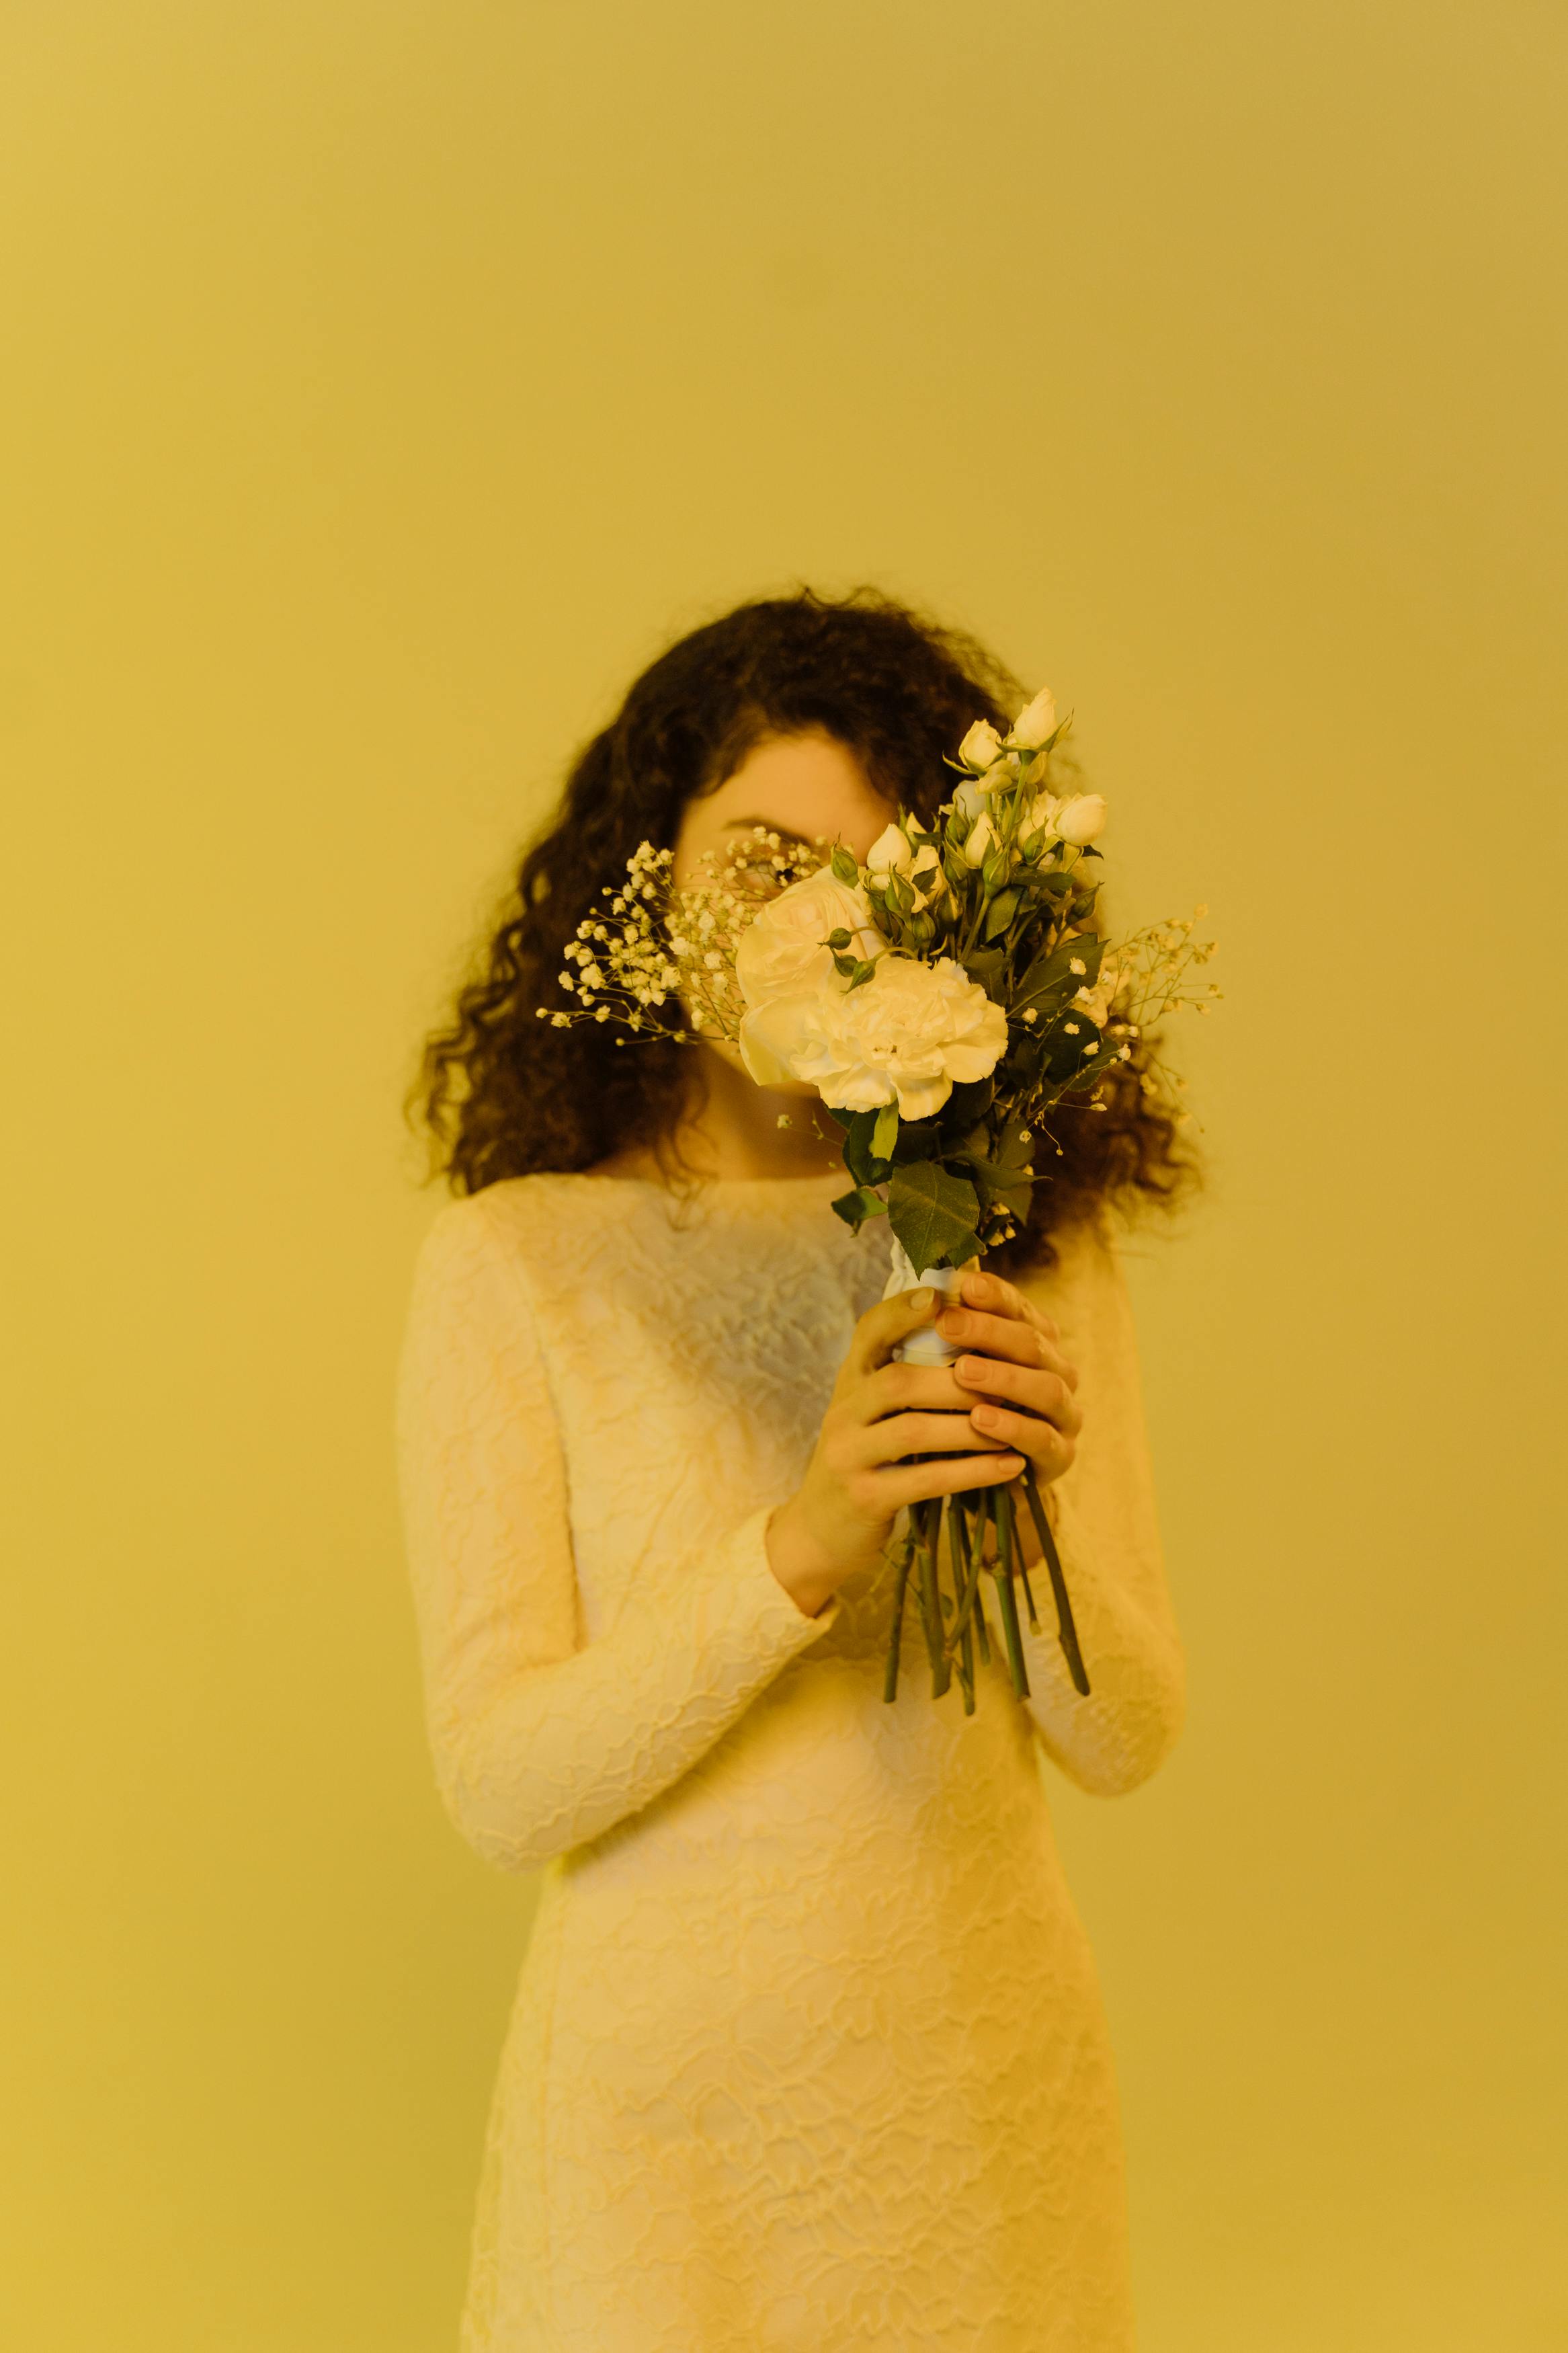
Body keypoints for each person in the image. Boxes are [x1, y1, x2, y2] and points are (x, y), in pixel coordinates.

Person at [398, 588, 1193, 2352]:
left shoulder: (1024, 1242)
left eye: (875, 872)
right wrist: (803, 1543)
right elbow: (503, 1783)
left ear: (955, 912)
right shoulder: (519, 1261)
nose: (818, 921)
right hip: (665, 2130)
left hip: (983, 2089)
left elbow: (1125, 1733)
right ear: (643, 871)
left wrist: (1024, 1498)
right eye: (762, 859)